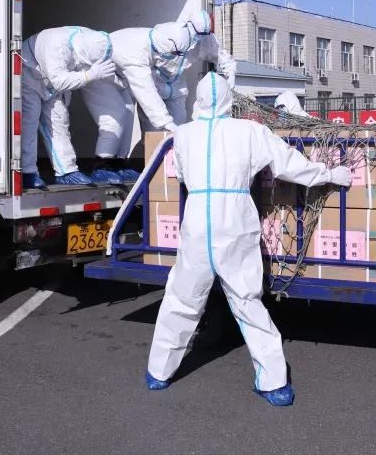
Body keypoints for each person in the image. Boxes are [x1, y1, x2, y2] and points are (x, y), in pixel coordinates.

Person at [145, 72, 352, 405]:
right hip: (236, 218)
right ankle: (274, 383)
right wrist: (328, 174)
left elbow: (181, 175)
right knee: (247, 300)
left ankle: (159, 372)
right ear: (229, 101)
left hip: (197, 219)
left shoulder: (183, 134)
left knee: (182, 298)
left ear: (198, 101)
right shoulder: (251, 131)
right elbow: (289, 165)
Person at [83, 22, 193, 183]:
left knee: (128, 116)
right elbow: (145, 90)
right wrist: (167, 123)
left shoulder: (154, 40)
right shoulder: (136, 53)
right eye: (174, 52)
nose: (174, 56)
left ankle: (119, 164)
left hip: (117, 77)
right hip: (99, 76)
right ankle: (102, 166)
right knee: (114, 117)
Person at [20, 27, 115, 189]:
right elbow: (59, 81)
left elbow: (75, 70)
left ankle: (66, 172)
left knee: (59, 123)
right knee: (29, 122)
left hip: (50, 83)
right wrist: (89, 75)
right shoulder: (56, 46)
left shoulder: (87, 40)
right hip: (29, 75)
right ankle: (27, 172)